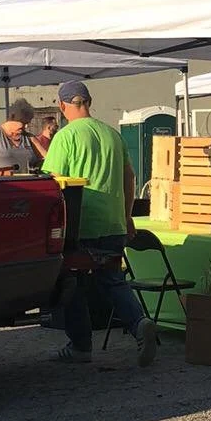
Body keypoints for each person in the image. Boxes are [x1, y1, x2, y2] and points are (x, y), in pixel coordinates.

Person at [42, 78, 158, 368]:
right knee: (113, 281)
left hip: (81, 225)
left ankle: (81, 346)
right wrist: (127, 214)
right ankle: (139, 323)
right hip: (113, 222)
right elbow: (130, 177)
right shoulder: (112, 134)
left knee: (72, 284)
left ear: (62, 105)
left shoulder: (65, 137)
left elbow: (52, 182)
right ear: (89, 102)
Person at [0, 98, 41, 172]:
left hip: (27, 182)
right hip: (2, 182)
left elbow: (48, 160)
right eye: (23, 123)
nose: (26, 127)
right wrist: (6, 175)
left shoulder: (30, 138)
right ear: (12, 118)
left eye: (27, 123)